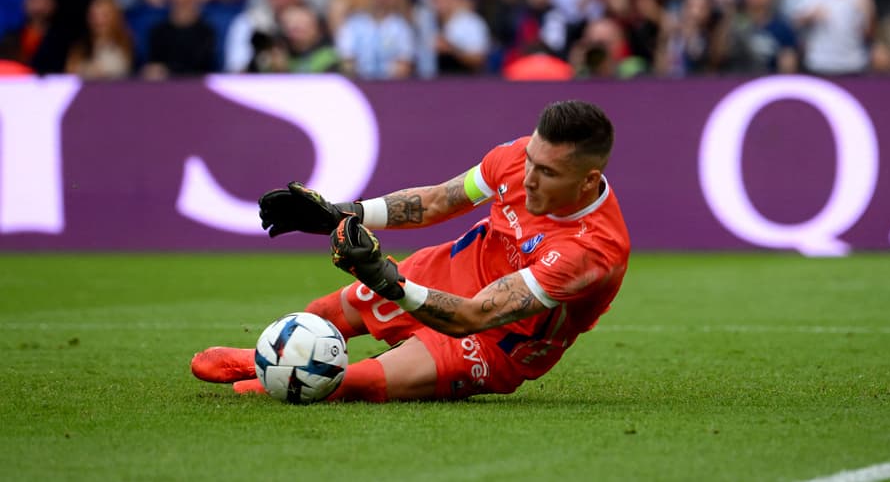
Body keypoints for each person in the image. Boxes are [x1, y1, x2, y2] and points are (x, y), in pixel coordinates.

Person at [190, 100, 629, 403]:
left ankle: (273, 376)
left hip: (500, 340)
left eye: (547, 172)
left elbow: (474, 317)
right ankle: (263, 361)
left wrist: (389, 281)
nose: (528, 177)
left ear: (588, 180)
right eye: (531, 159)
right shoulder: (518, 157)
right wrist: (342, 213)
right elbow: (438, 201)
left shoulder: (591, 251)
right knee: (325, 314)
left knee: (356, 383)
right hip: (453, 267)